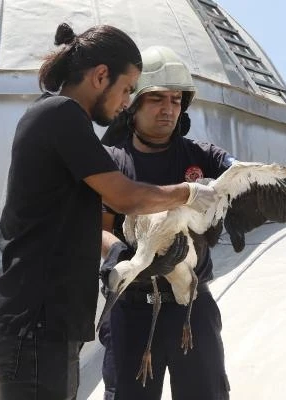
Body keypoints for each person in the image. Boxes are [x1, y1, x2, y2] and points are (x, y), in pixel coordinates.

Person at [0, 24, 216, 400]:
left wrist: (123, 253)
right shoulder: (61, 114)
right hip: (34, 323)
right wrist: (189, 192)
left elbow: (80, 224)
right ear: (100, 75)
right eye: (127, 89)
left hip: (47, 325)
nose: (126, 103)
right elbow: (124, 197)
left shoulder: (63, 121)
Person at [97, 46, 233, 400]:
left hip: (192, 307)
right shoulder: (110, 163)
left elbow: (241, 173)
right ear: (133, 104)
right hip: (132, 308)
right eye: (156, 98)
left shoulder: (203, 158)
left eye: (176, 100)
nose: (168, 108)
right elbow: (96, 226)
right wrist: (123, 254)